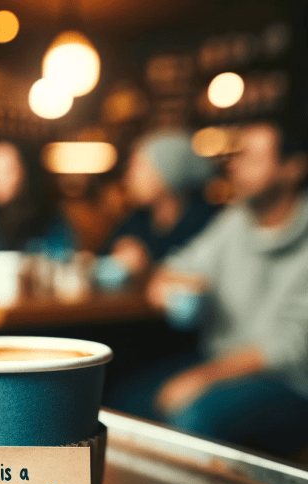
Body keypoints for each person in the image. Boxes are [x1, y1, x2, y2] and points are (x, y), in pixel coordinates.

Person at [107, 121, 308, 458]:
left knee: (194, 415)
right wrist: (167, 283)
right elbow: (182, 265)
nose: (236, 166)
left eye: (253, 158)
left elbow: (290, 349)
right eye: (238, 156)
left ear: (292, 168)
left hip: (290, 383)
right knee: (118, 402)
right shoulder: (236, 220)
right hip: (223, 361)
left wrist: (204, 377)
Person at [95, 130, 218, 289]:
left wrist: (147, 270)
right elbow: (98, 264)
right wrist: (114, 259)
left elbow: (205, 281)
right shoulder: (136, 222)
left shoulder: (209, 224)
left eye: (137, 167)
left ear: (168, 172)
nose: (128, 176)